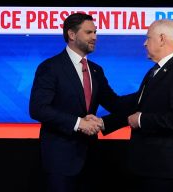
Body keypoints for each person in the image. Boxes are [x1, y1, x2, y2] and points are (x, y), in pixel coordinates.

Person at [29, 13, 123, 192]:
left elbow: (115, 104)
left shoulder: (96, 70)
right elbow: (38, 109)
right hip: (60, 161)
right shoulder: (50, 67)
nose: (95, 37)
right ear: (72, 35)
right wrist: (79, 123)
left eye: (95, 32)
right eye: (89, 32)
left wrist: (144, 95)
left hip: (91, 159)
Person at [101, 19, 173, 192]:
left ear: (162, 38)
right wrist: (103, 122)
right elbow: (135, 104)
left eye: (148, 37)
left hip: (165, 171)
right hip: (149, 168)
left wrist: (142, 120)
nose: (145, 43)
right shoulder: (155, 71)